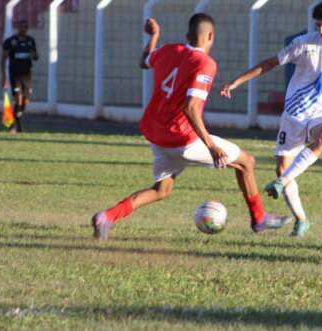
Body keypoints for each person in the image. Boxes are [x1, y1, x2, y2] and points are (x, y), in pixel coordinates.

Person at [91, 14, 291, 240]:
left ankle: (106, 217)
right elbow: (191, 108)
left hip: (156, 134)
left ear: (187, 36)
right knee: (247, 162)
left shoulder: (168, 50)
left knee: (161, 190)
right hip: (182, 138)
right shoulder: (205, 63)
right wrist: (211, 145)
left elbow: (144, 60)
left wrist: (155, 35)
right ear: (211, 36)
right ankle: (259, 219)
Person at [221, 0, 322, 237]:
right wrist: (237, 81)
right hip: (294, 114)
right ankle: (301, 219)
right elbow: (270, 63)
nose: (321, 31)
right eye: (318, 25)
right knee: (281, 167)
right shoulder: (303, 44)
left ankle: (283, 181)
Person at [1, 19, 38, 133]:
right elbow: (3, 59)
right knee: (18, 99)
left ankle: (15, 121)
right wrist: (3, 75)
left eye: (26, 27)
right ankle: (16, 126)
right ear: (18, 27)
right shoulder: (10, 41)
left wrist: (34, 55)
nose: (24, 29)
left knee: (25, 101)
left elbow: (35, 57)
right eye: (22, 26)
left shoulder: (30, 41)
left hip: (27, 75)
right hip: (15, 74)